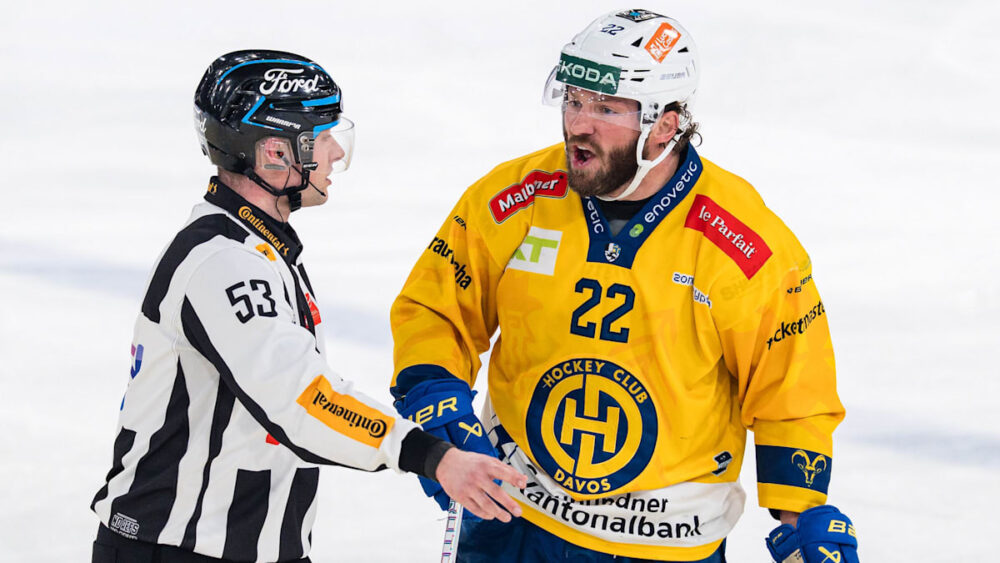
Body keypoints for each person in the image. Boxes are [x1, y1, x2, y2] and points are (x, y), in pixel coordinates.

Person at [389, 10, 858, 563]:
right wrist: (435, 397)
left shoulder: (744, 242)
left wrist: (801, 516)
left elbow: (791, 387)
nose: (578, 124)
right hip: (513, 519)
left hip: (664, 543)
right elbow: (436, 308)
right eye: (574, 99)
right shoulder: (513, 198)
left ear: (667, 124)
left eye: (606, 108)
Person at [90, 50, 526, 563]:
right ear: (276, 153)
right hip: (177, 548)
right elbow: (299, 400)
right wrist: (430, 456)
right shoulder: (224, 263)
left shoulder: (259, 248)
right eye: (321, 136)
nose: (336, 152)